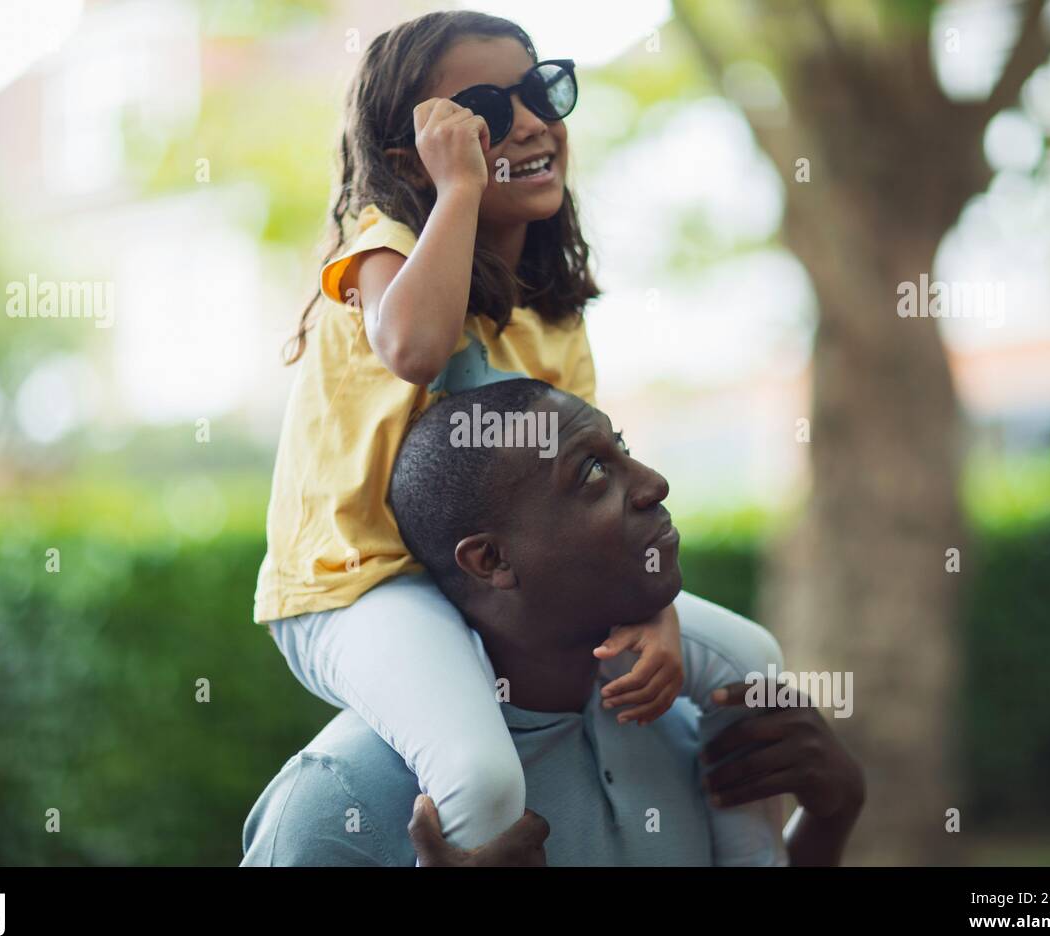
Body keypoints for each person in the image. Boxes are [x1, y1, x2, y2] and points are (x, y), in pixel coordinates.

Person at [253, 9, 811, 851]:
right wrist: (461, 191)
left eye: (539, 90)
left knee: (754, 664)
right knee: (480, 776)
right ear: (415, 154)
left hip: (493, 581)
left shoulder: (549, 309)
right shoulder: (384, 251)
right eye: (482, 108)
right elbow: (414, 347)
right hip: (361, 589)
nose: (526, 121)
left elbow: (597, 470)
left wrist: (652, 604)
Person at [242, 381, 865, 866]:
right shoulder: (341, 798)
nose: (653, 483)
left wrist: (832, 813)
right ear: (492, 561)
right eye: (592, 473)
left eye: (622, 450)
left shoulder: (685, 722)